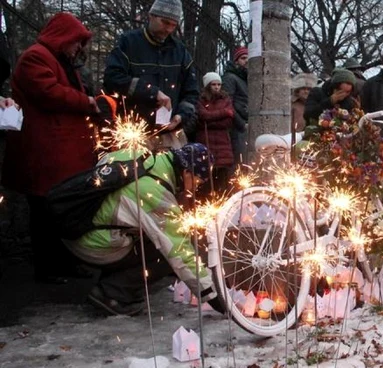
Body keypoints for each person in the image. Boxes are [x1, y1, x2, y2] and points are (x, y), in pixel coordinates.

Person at [63, 143, 220, 316]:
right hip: (92, 243)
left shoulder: (140, 155)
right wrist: (213, 296)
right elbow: (180, 250)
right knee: (165, 252)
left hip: (77, 226)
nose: (194, 189)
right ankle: (111, 293)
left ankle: (113, 279)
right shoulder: (156, 193)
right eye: (198, 182)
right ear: (187, 172)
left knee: (151, 234)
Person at [1, 12, 99, 284]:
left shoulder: (58, 59)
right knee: (45, 213)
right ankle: (49, 269)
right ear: (63, 37)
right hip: (45, 152)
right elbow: (50, 93)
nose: (79, 48)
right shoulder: (36, 57)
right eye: (76, 41)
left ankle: (65, 264)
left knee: (61, 211)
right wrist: (86, 102)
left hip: (61, 152)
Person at [103, 0, 198, 150]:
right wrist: (152, 92)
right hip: (133, 132)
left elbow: (192, 93)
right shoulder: (128, 43)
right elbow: (112, 79)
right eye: (165, 22)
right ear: (151, 16)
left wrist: (180, 116)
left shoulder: (180, 52)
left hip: (171, 134)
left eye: (173, 25)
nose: (168, 29)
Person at [195, 72, 234, 195]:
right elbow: (203, 116)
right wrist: (223, 113)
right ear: (208, 85)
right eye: (213, 84)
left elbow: (228, 120)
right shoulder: (201, 100)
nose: (217, 87)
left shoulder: (226, 99)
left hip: (223, 146)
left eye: (218, 84)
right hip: (206, 142)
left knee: (222, 182)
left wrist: (210, 119)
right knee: (206, 180)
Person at [222, 46, 249, 166]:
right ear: (236, 61)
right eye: (243, 58)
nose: (247, 61)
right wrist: (242, 124)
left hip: (246, 125)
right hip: (237, 128)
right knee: (239, 163)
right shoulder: (230, 78)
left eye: (249, 58)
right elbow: (227, 104)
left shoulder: (247, 78)